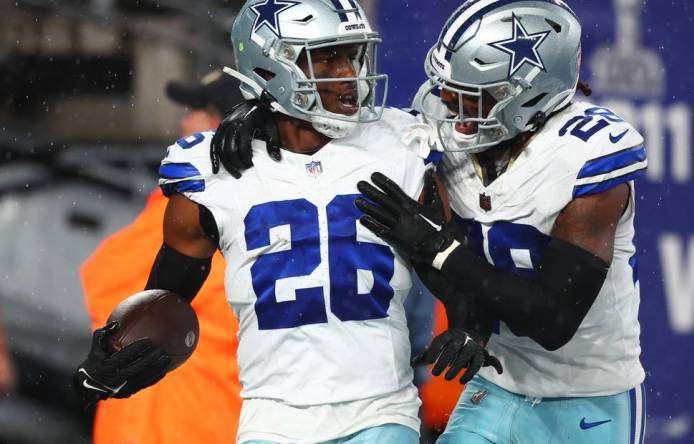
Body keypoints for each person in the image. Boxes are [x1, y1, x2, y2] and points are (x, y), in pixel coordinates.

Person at [210, 1, 647, 442]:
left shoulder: (585, 160)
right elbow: (348, 126)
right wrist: (262, 110)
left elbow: (552, 322)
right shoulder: (450, 127)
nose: (449, 103)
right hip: (498, 382)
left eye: (471, 92)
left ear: (523, 95)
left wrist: (440, 249)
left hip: (591, 392)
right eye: (447, 86)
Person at [73, 1, 499, 443]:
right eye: (328, 57)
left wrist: (472, 325)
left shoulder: (401, 144)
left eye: (352, 54)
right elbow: (164, 297)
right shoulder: (210, 170)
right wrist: (116, 349)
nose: (348, 72)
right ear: (272, 65)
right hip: (271, 418)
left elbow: (453, 268)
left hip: (380, 409)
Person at [80, 70, 244, 444]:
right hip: (208, 421)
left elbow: (106, 286)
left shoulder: (188, 213)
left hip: (186, 423)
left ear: (226, 125)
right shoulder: (269, 218)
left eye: (197, 110)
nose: (185, 121)